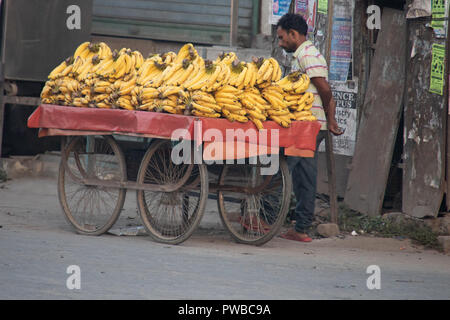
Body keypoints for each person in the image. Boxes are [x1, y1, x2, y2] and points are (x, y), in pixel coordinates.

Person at [276, 13, 343, 242]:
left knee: (281, 168)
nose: (280, 42)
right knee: (305, 174)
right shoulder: (302, 55)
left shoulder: (307, 54)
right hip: (311, 124)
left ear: (294, 34)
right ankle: (301, 227)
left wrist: (330, 118)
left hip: (308, 124)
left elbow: (324, 89)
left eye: (282, 37)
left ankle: (265, 217)